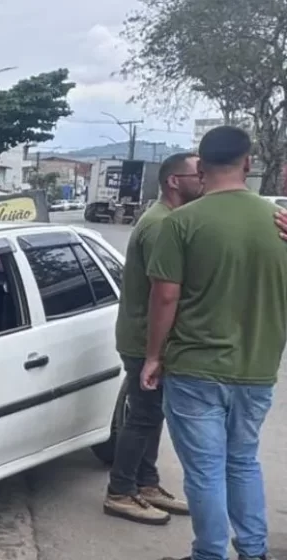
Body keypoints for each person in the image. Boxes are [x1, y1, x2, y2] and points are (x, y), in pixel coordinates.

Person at [144, 126, 287, 560]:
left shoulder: (182, 222)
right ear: (249, 164)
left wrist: (153, 355)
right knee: (242, 461)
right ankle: (254, 551)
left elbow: (165, 295)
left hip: (195, 368)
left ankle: (210, 554)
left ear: (201, 168)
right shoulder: (278, 222)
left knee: (205, 469)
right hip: (257, 368)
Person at [103, 153, 201, 525]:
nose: (205, 180)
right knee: (143, 415)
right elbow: (165, 292)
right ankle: (120, 490)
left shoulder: (165, 220)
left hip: (144, 336)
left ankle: (146, 482)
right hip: (145, 339)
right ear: (174, 181)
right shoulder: (162, 225)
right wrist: (155, 351)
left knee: (150, 413)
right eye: (198, 174)